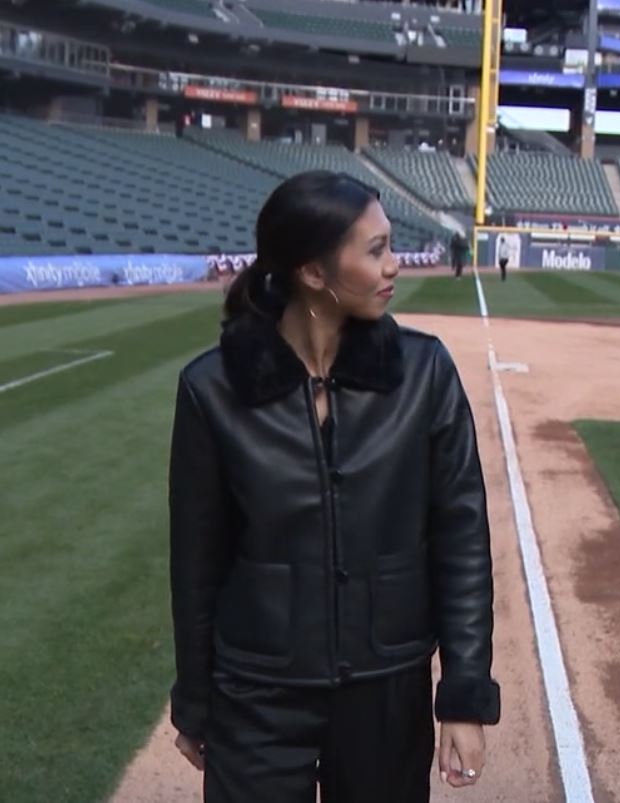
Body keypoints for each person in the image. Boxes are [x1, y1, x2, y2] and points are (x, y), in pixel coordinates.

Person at [168, 171, 500, 803]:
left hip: (387, 688)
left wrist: (464, 695)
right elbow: (196, 559)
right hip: (256, 694)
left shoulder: (425, 374)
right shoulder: (211, 390)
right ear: (313, 273)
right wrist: (196, 698)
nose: (394, 265)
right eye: (375, 250)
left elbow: (462, 538)